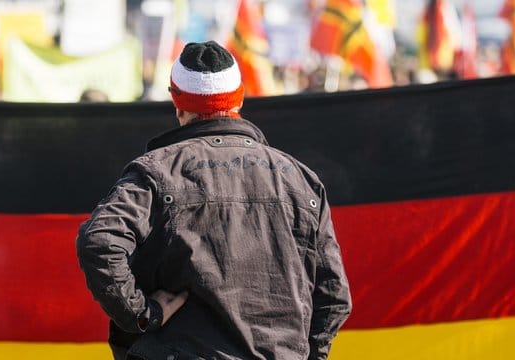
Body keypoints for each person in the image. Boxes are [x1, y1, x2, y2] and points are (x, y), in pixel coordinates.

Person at [76, 41, 351, 360]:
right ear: (239, 100)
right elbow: (334, 297)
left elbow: (100, 242)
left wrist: (141, 314)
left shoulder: (157, 171)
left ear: (177, 104)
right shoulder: (301, 180)